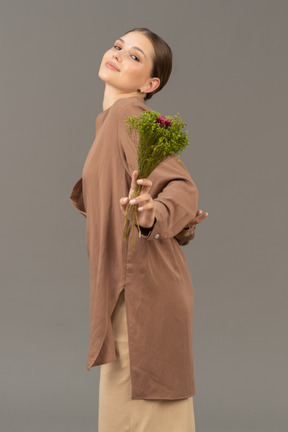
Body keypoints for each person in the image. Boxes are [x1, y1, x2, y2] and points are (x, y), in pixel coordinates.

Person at [70, 27, 208, 432]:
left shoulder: (130, 115)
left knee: (144, 417)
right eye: (118, 46)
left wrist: (156, 214)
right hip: (130, 289)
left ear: (150, 84)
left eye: (134, 56)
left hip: (141, 292)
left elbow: (183, 188)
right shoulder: (110, 121)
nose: (118, 54)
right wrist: (157, 218)